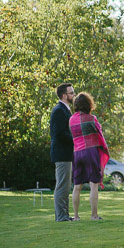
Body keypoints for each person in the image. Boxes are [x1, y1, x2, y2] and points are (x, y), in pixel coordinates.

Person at [69, 92, 109, 221]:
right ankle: (94, 215)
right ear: (89, 104)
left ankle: (75, 216)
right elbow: (100, 135)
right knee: (93, 185)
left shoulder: (71, 119)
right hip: (91, 152)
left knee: (77, 186)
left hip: (77, 153)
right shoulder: (92, 119)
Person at [49, 82, 75, 221]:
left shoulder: (65, 109)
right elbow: (60, 133)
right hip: (61, 153)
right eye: (71, 93)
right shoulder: (59, 110)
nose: (74, 95)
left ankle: (64, 214)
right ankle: (61, 216)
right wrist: (75, 140)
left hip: (66, 153)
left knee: (66, 186)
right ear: (64, 95)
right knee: (62, 186)